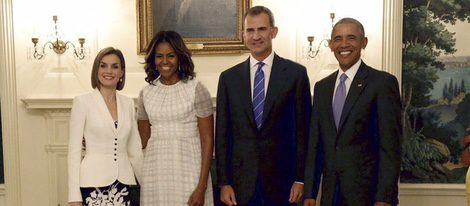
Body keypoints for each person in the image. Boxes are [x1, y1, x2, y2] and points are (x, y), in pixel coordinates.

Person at [215, 6, 312, 206]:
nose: (256, 36)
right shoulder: (228, 78)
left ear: (273, 32)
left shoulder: (295, 74)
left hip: (284, 182)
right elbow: (222, 135)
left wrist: (301, 179)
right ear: (243, 35)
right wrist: (224, 183)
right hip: (241, 184)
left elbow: (304, 132)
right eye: (250, 30)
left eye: (262, 29)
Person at [303, 17, 402, 206]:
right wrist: (310, 192)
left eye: (351, 38)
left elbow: (391, 148)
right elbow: (316, 144)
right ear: (331, 44)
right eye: (338, 39)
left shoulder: (382, 83)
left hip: (368, 196)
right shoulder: (322, 87)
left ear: (363, 42)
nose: (344, 44)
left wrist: (385, 198)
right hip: (330, 195)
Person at [137, 30, 214, 206]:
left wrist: (201, 188)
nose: (165, 62)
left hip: (189, 170)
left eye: (171, 56)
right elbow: (142, 141)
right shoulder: (146, 93)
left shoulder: (196, 88)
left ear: (180, 57)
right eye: (159, 56)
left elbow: (208, 140)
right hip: (155, 174)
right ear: (153, 60)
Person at [68, 47, 143, 206]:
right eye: (103, 65)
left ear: (122, 72)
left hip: (122, 185)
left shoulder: (128, 103)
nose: (109, 71)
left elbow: (134, 150)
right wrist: (74, 197)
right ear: (96, 70)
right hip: (92, 184)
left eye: (115, 66)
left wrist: (147, 185)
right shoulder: (82, 102)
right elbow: (74, 152)